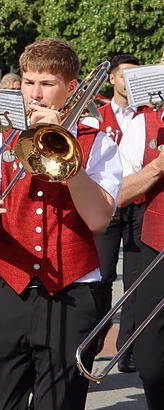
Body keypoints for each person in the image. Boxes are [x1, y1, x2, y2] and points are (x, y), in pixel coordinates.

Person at [0, 38, 121, 410]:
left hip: (71, 293)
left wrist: (66, 149)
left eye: (47, 83)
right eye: (27, 82)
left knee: (60, 403)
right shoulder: (1, 140)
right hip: (8, 288)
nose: (35, 94)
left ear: (70, 89)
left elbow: (99, 218)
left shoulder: (98, 144)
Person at [110, 60, 164, 406]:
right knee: (152, 357)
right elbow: (118, 193)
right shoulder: (144, 123)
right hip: (155, 243)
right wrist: (157, 167)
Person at [93, 53, 142, 374]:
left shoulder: (149, 116)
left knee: (136, 281)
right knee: (102, 276)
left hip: (140, 202)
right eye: (125, 75)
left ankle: (129, 347)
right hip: (107, 204)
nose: (130, 81)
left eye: (136, 76)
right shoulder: (97, 115)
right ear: (112, 78)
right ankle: (93, 339)